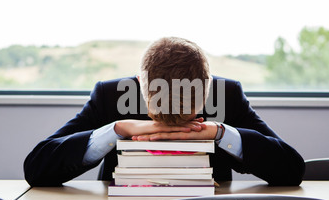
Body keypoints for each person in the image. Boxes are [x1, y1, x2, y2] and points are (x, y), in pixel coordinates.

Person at [24, 37, 305, 186]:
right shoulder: (111, 96)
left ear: (208, 88)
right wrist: (116, 129)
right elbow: (37, 169)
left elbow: (291, 169)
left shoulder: (227, 94)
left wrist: (220, 133)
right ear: (139, 86)